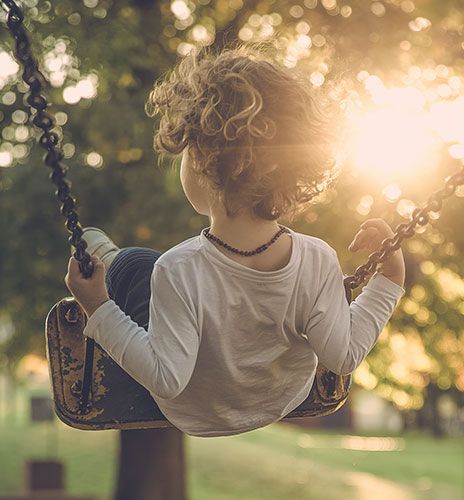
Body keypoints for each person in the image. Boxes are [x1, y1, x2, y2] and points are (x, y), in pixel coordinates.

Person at [64, 46, 405, 437]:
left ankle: (108, 258)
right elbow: (343, 356)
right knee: (150, 270)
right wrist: (388, 281)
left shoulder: (177, 269)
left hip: (196, 411)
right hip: (281, 399)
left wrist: (98, 307)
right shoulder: (318, 259)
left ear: (206, 161)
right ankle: (110, 257)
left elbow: (166, 378)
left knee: (134, 265)